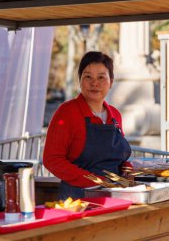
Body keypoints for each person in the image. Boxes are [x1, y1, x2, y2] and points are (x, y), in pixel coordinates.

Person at [43, 51, 132, 199]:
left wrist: (127, 170)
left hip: (114, 195)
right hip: (78, 199)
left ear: (111, 81)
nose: (94, 83)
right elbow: (52, 160)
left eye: (101, 77)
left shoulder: (115, 115)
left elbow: (117, 159)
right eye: (88, 76)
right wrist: (95, 181)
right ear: (80, 80)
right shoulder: (66, 112)